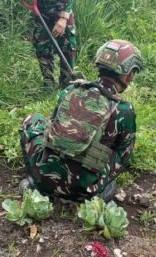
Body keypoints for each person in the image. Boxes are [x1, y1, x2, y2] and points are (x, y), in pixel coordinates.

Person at [18, 40, 143, 201]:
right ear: (128, 74)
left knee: (32, 120)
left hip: (44, 181)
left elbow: (53, 127)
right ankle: (98, 190)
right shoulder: (124, 110)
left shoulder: (71, 90)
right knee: (118, 153)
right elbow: (125, 154)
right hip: (85, 190)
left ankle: (34, 179)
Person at [15, 0, 77, 90]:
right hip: (40, 9)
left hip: (61, 7)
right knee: (41, 46)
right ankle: (48, 82)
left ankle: (67, 82)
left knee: (68, 46)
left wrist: (63, 18)